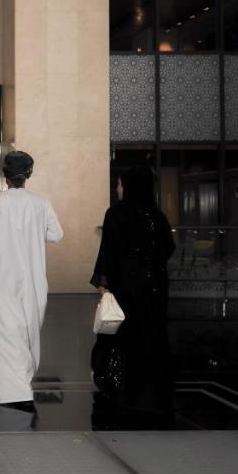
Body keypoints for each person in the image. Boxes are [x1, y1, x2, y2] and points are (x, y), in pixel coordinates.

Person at [0, 150, 63, 414]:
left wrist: (1, 240)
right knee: (29, 331)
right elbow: (56, 234)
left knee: (4, 334)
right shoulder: (41, 204)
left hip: (2, 278)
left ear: (5, 175)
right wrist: (32, 236)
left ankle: (16, 391)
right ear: (28, 175)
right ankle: (24, 383)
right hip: (34, 278)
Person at [89, 166, 177, 429]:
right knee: (152, 339)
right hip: (155, 290)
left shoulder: (117, 214)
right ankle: (152, 394)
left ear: (128, 186)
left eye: (119, 184)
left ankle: (123, 391)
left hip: (126, 289)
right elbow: (168, 247)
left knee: (124, 339)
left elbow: (109, 250)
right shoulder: (157, 215)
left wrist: (103, 284)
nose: (118, 189)